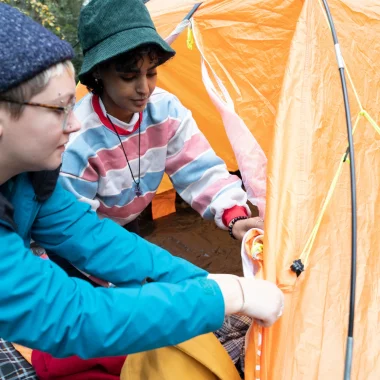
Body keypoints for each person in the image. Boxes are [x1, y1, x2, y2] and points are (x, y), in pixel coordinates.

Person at [0, 3, 284, 377]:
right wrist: (226, 297)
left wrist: (201, 282)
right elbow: (74, 314)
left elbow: (93, 237)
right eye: (58, 109)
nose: (72, 125)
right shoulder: (75, 147)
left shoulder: (31, 180)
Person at [59, 0, 264, 246]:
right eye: (128, 76)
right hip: (81, 237)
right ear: (98, 73)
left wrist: (234, 217)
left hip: (125, 221)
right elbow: (76, 232)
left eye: (152, 72)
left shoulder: (164, 110)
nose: (144, 89)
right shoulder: (77, 141)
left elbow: (199, 169)